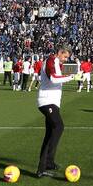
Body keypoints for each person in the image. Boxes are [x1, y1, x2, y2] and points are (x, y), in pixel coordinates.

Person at [35, 46, 83, 178]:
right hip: (47, 101)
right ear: (59, 53)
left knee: (50, 132)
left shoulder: (57, 63)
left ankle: (49, 163)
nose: (65, 60)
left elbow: (66, 71)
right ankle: (41, 168)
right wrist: (72, 77)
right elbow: (54, 78)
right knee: (59, 127)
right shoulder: (52, 60)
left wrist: (78, 69)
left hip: (52, 102)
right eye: (65, 57)